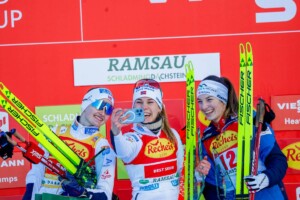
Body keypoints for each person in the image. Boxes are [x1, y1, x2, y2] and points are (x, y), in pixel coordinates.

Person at [196, 75, 288, 200]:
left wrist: (266, 178)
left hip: (267, 195)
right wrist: (200, 175)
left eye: (209, 99)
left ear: (223, 99)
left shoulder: (249, 120)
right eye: (200, 101)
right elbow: (212, 186)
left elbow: (277, 159)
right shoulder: (207, 137)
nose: (204, 106)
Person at [23, 88, 116, 200]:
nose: (103, 112)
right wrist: (29, 196)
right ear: (86, 103)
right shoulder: (55, 132)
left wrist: (82, 192)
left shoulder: (102, 146)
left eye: (109, 109)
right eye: (100, 104)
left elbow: (105, 194)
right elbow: (36, 171)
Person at [110, 78, 185, 199]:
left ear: (159, 107)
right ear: (133, 106)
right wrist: (116, 132)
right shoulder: (132, 138)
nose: (144, 107)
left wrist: (198, 173)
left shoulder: (173, 135)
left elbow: (182, 170)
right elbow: (122, 151)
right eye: (139, 102)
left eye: (150, 102)